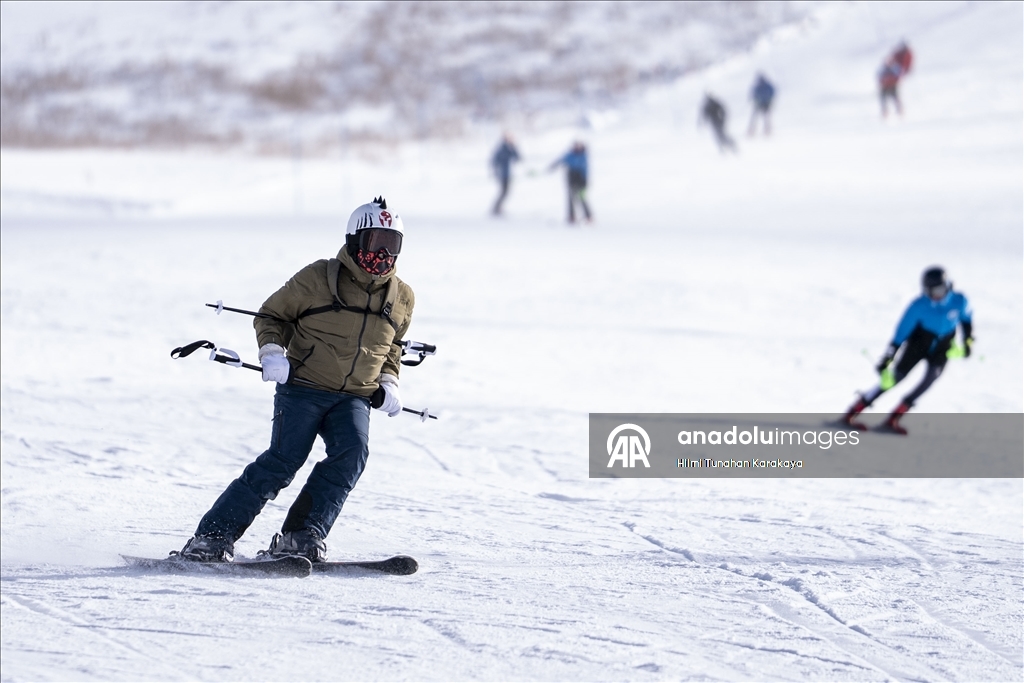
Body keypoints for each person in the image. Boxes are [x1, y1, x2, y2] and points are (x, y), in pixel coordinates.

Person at [177, 196, 416, 562]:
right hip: (304, 388)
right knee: (282, 461)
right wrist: (272, 352)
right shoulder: (317, 278)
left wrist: (389, 381)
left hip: (354, 396)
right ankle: (211, 538)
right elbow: (271, 316)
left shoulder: (402, 297)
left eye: (392, 245)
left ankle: (301, 536)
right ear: (354, 240)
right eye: (375, 243)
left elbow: (394, 346)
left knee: (351, 455)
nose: (383, 255)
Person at [842, 266, 972, 434]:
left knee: (928, 381)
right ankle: (852, 413)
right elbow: (900, 334)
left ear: (948, 286)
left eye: (941, 289)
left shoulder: (959, 301)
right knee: (894, 379)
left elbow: (967, 321)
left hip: (942, 349)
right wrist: (888, 358)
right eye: (932, 291)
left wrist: (968, 343)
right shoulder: (918, 306)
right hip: (917, 347)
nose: (938, 295)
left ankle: (894, 418)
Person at [549, 141, 592, 224]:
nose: (577, 147)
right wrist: (553, 166)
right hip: (571, 180)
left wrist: (585, 182)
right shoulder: (569, 155)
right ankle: (571, 216)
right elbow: (560, 160)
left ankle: (588, 216)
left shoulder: (583, 156)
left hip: (581, 181)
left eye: (578, 146)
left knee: (582, 198)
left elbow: (585, 170)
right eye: (575, 146)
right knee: (570, 199)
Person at [879, 41, 913, 117]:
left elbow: (898, 73)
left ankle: (899, 110)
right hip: (884, 85)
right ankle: (884, 111)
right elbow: (879, 75)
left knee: (894, 96)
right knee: (883, 97)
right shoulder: (884, 68)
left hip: (892, 83)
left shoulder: (894, 66)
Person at [490, 134, 520, 216]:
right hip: (502, 174)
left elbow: (518, 158)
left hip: (507, 174)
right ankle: (496, 208)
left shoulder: (509, 149)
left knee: (505, 192)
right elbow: (494, 161)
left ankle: (497, 208)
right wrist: (495, 171)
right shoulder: (501, 149)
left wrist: (513, 148)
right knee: (504, 192)